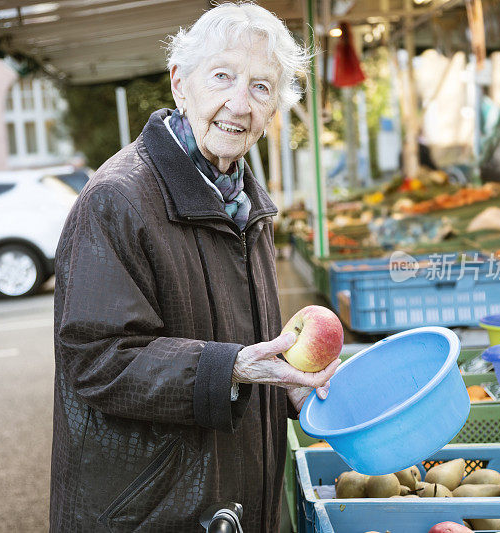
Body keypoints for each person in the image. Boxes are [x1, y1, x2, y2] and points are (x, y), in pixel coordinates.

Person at [50, 4, 340, 531]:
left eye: (261, 87)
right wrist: (232, 368)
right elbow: (96, 361)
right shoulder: (117, 199)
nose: (239, 104)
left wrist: (283, 384)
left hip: (227, 500)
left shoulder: (246, 205)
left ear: (275, 107)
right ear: (181, 84)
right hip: (153, 511)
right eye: (222, 76)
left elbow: (232, 342)